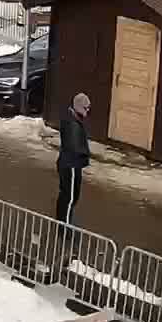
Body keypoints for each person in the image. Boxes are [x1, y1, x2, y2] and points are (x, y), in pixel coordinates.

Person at [56, 92, 92, 225]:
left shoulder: (72, 118)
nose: (88, 111)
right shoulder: (73, 124)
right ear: (79, 108)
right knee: (70, 197)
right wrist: (86, 154)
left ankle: (62, 223)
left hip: (70, 163)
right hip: (70, 164)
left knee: (67, 195)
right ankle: (64, 228)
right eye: (86, 108)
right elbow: (75, 147)